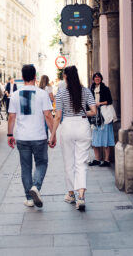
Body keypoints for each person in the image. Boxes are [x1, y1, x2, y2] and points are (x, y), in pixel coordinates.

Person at [7, 65, 56, 208]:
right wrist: (53, 134)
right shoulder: (42, 94)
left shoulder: (15, 94)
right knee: (42, 163)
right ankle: (36, 187)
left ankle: (29, 198)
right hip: (39, 136)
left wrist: (10, 134)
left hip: (22, 137)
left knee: (25, 167)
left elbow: (11, 117)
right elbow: (48, 115)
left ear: (22, 78)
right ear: (35, 77)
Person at [49, 66, 96, 211]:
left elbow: (57, 116)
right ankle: (81, 196)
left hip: (68, 126)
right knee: (81, 162)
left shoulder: (61, 93)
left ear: (65, 77)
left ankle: (71, 194)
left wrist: (52, 134)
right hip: (83, 125)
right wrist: (82, 114)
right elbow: (94, 111)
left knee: (69, 162)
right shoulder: (86, 91)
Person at [88, 72, 115, 167]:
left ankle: (107, 160)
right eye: (95, 77)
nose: (97, 79)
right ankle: (97, 159)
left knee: (106, 138)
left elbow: (110, 101)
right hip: (95, 117)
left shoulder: (105, 88)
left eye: (98, 77)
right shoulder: (91, 89)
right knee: (95, 138)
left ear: (101, 79)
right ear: (93, 79)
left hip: (104, 116)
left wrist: (100, 103)